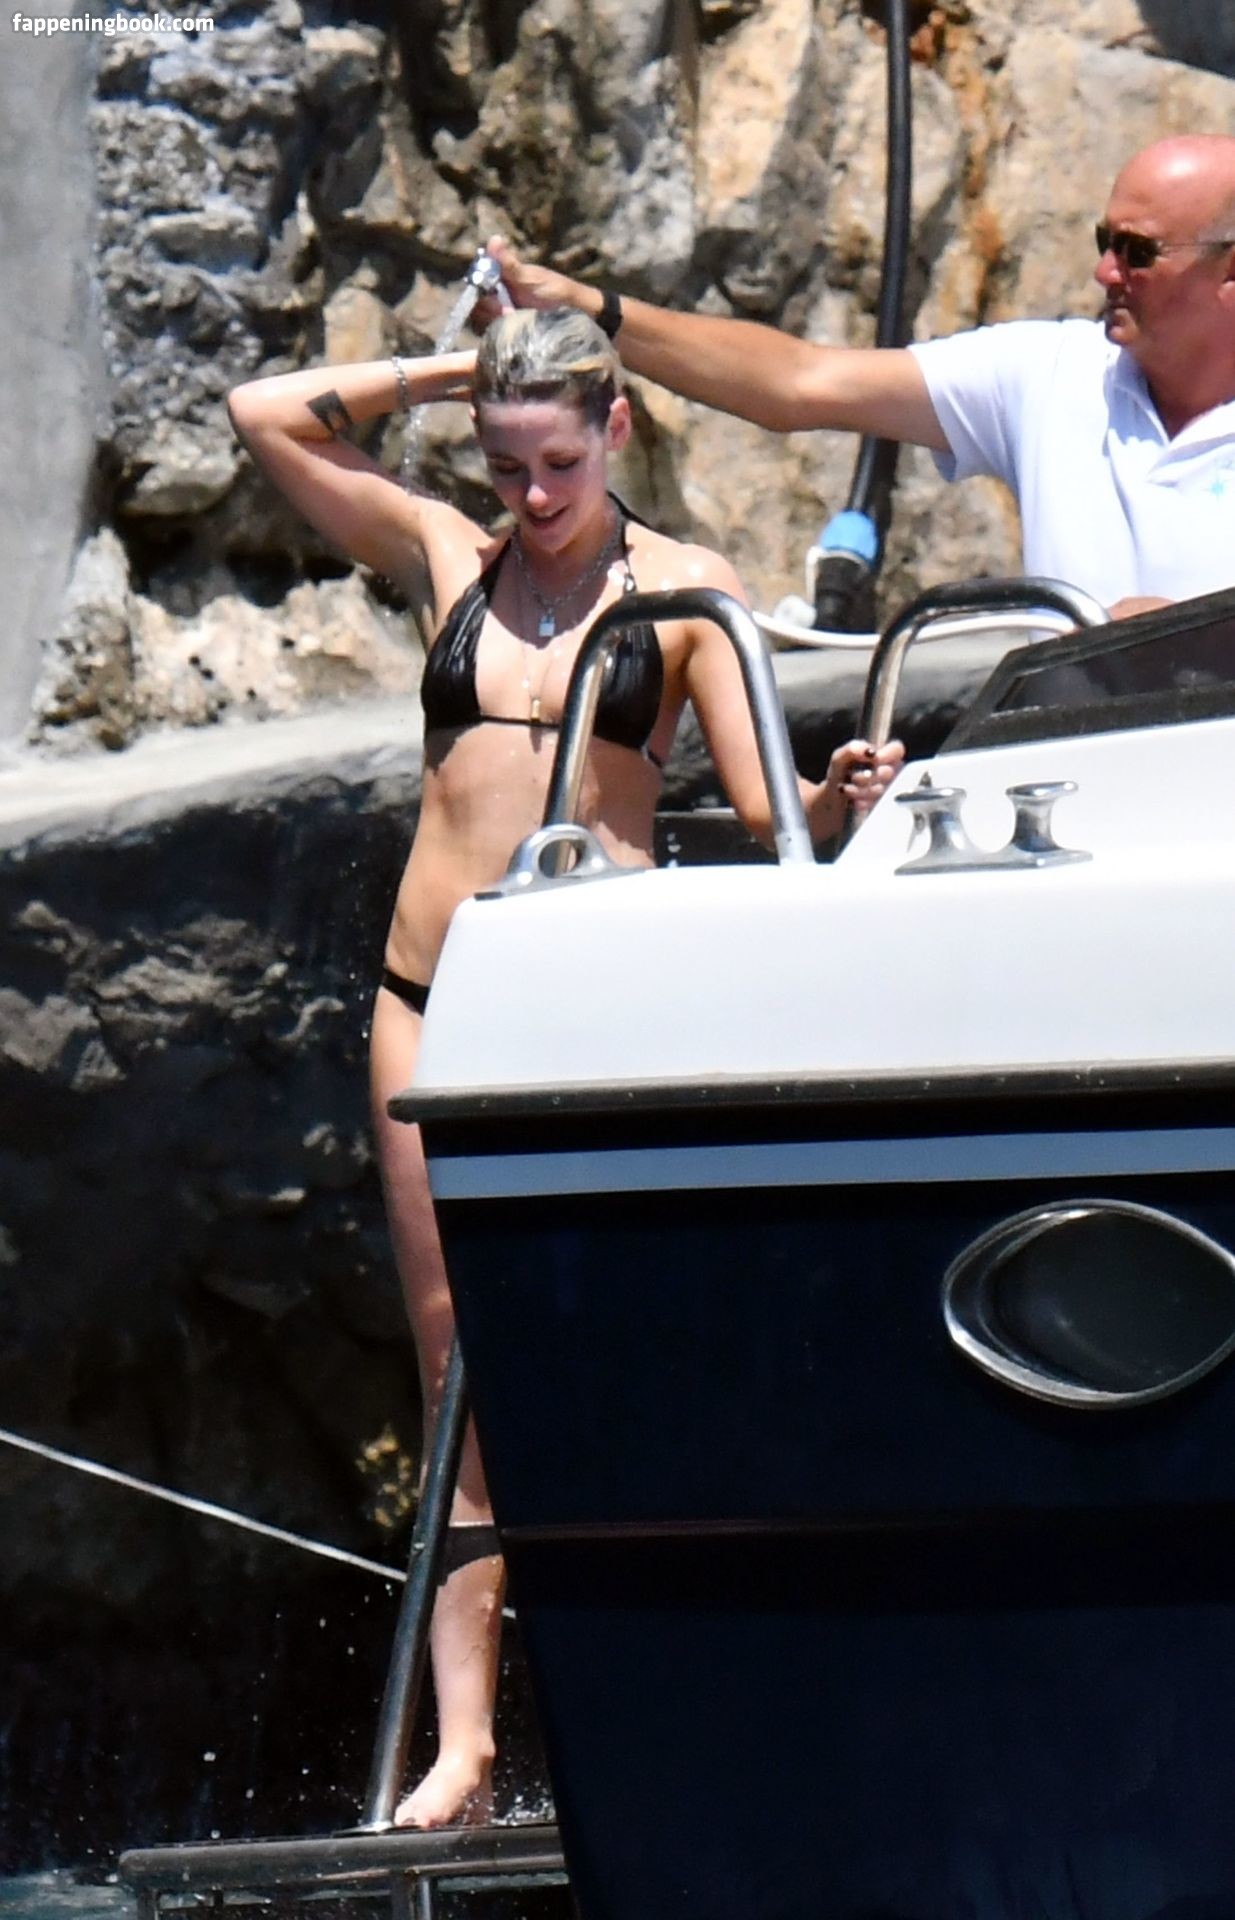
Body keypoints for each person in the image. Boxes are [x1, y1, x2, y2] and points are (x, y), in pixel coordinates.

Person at [227, 307, 903, 1830]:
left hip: (591, 1005)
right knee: (453, 1362)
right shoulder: (448, 557)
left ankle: (690, 1709)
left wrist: (841, 795)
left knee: (621, 1352)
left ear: (614, 431)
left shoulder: (685, 594)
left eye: (557, 463)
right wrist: (448, 370)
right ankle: (463, 1749)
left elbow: (767, 810)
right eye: (504, 464)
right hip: (428, 1000)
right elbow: (264, 412)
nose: (531, 497)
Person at [485, 135, 1235, 619]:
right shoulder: (1051, 374)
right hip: (1072, 789)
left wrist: (1184, 639)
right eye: (1104, 241)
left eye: (1137, 252)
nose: (1104, 272)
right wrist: (592, 309)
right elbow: (798, 383)